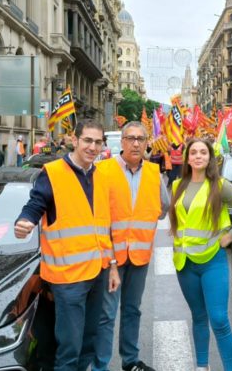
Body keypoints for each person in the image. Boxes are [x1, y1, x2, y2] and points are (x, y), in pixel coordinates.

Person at [14, 120, 121, 371]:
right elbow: (35, 204)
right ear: (75, 140)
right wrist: (25, 221)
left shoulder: (102, 177)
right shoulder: (52, 172)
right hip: (67, 279)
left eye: (97, 142)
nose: (92, 147)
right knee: (69, 348)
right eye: (87, 140)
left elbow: (104, 229)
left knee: (89, 343)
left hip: (98, 272)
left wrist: (113, 266)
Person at [93, 122, 169, 371]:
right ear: (122, 142)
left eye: (141, 138)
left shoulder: (154, 173)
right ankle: (100, 366)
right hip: (109, 257)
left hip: (140, 256)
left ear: (147, 142)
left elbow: (163, 207)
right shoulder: (102, 170)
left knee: (132, 310)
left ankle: (130, 361)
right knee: (106, 315)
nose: (136, 143)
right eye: (130, 138)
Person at [170, 138, 232, 371]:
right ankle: (202, 366)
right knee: (198, 317)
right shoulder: (177, 185)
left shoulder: (220, 185)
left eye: (203, 152)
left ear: (210, 158)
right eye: (194, 152)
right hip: (185, 263)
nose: (198, 156)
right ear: (187, 158)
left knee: (219, 319)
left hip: (213, 261)